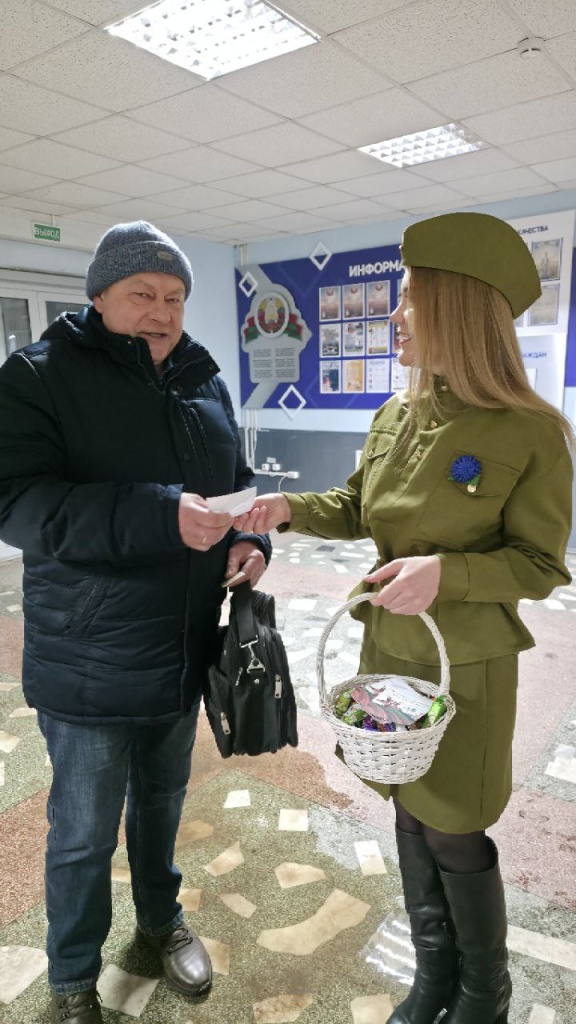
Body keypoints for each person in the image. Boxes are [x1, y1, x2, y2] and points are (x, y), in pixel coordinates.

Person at [248, 212, 574, 1024]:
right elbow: (358, 506)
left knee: (455, 825)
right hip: (388, 650)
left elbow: (541, 567)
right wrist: (286, 506)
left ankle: (481, 993)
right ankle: (434, 977)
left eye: (411, 302)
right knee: (406, 807)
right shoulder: (396, 416)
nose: (394, 318)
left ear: (458, 314)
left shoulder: (533, 433)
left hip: (466, 662)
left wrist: (449, 573)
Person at [0, 221, 269, 1024]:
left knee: (161, 809)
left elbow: (237, 480)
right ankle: (74, 977)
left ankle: (161, 921)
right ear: (99, 298)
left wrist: (250, 536)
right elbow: (17, 502)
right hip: (89, 655)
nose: (161, 311)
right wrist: (157, 516)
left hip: (182, 648)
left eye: (175, 296)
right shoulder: (37, 375)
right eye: (141, 294)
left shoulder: (200, 378)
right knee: (82, 834)